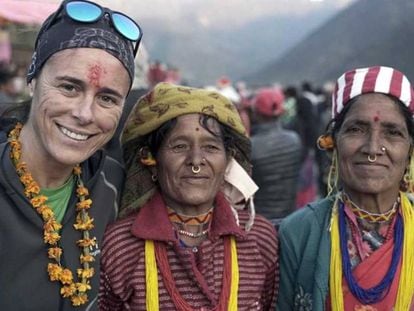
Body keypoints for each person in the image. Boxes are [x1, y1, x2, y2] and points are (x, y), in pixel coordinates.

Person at [0, 0, 142, 309]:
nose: (84, 113)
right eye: (69, 87)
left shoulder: (114, 183)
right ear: (33, 79)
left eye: (107, 98)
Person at [99, 82, 278, 310]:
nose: (196, 161)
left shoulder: (259, 238)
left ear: (228, 161)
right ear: (151, 161)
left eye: (211, 148)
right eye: (179, 146)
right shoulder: (120, 246)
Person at [277, 66, 414, 310]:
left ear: (410, 150)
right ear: (333, 142)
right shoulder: (298, 232)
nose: (373, 148)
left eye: (392, 133)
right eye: (356, 130)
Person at [250, 87, 302, 229]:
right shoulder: (294, 140)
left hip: (260, 222)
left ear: (256, 113)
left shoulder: (251, 146)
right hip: (290, 218)